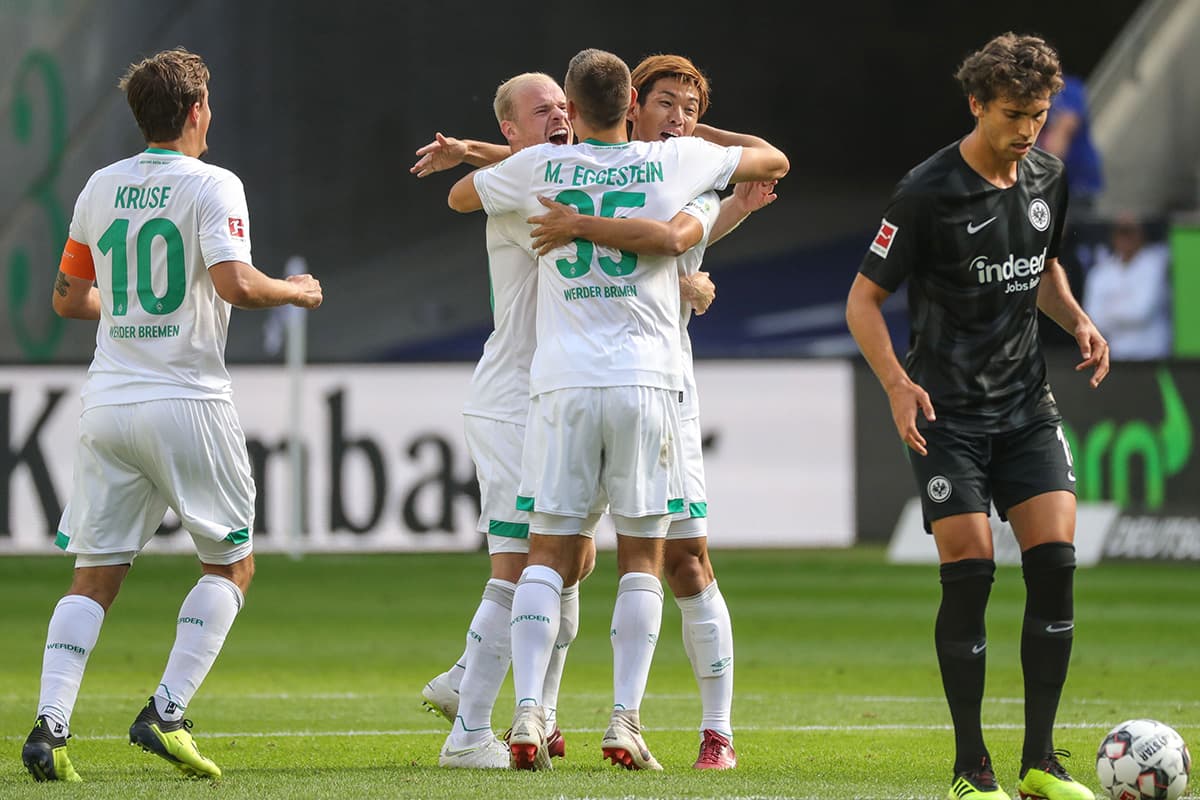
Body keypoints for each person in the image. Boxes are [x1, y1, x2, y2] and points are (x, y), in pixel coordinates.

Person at [448, 48, 788, 771]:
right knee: (641, 555)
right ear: (632, 101)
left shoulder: (543, 169)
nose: (682, 118)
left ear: (572, 108)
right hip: (645, 381)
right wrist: (699, 143)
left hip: (562, 384)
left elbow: (464, 197)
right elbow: (771, 161)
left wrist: (511, 172)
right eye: (668, 103)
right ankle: (623, 719)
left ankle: (529, 715)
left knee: (546, 554)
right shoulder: (675, 167)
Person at [20, 47, 322, 783]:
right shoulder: (214, 184)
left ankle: (49, 730)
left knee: (93, 576)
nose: (209, 117)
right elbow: (235, 284)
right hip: (186, 400)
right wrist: (294, 290)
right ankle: (167, 710)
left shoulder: (100, 185)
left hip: (109, 403)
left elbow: (67, 296)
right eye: (207, 106)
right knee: (232, 563)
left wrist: (123, 311)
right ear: (194, 112)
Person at [845, 32, 1108, 800]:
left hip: (1027, 408)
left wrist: (1079, 322)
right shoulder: (926, 192)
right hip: (947, 415)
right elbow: (864, 300)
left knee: (1055, 569)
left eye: (1039, 113)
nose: (1028, 129)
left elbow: (1045, 267)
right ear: (977, 105)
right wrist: (896, 384)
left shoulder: (1048, 177)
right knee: (971, 573)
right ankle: (971, 768)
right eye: (1013, 114)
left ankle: (1039, 762)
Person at [411, 72, 596, 770]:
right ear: (514, 132)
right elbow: (501, 186)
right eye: (540, 110)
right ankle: (468, 734)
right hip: (515, 400)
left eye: (563, 107)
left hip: (556, 399)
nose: (558, 115)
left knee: (573, 559)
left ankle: (508, 698)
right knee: (524, 565)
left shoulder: (539, 174)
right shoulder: (530, 188)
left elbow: (551, 168)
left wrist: (474, 151)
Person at [1082, 212, 1172, 360]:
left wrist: (1110, 308)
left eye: (1130, 232)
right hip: (1117, 354)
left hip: (1153, 354)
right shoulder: (1100, 272)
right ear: (1113, 236)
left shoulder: (1155, 264)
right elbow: (1093, 319)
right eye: (1121, 232)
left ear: (1141, 234)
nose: (1126, 238)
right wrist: (1126, 306)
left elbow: (1141, 312)